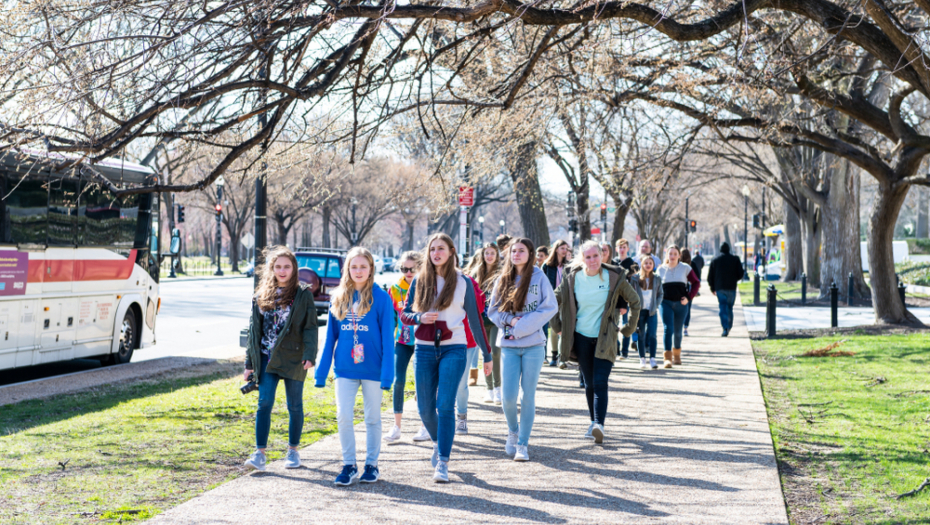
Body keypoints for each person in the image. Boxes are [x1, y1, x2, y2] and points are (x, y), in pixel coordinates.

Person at [401, 233, 492, 483]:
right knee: (424, 408)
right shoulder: (419, 280)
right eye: (432, 249)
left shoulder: (464, 282)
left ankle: (443, 460)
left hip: (454, 347)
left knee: (445, 405)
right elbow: (405, 314)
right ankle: (438, 440)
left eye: (441, 248)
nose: (436, 253)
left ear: (451, 251)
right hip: (424, 348)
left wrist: (487, 353)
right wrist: (419, 317)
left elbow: (475, 320)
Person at [314, 247, 395, 486]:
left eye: (363, 266)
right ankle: (349, 465)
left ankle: (372, 464)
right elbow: (330, 338)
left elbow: (388, 340)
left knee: (372, 418)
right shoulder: (338, 297)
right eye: (354, 266)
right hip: (345, 369)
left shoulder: (381, 298)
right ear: (347, 269)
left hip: (373, 369)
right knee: (343, 416)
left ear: (371, 269)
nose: (358, 271)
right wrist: (321, 372)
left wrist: (387, 375)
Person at [551, 240, 641, 444]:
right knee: (589, 383)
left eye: (595, 256)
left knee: (600, 381)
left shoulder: (614, 276)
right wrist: (557, 326)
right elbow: (553, 300)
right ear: (582, 258)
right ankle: (593, 422)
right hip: (581, 337)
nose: (592, 260)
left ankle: (599, 424)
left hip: (606, 337)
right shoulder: (573, 277)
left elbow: (635, 301)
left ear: (602, 255)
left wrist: (629, 328)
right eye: (588, 257)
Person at [243, 246, 319, 472]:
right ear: (272, 268)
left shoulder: (302, 294)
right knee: (264, 402)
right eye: (278, 267)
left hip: (295, 358)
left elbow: (310, 327)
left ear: (294, 268)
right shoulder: (261, 294)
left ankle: (293, 451)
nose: (282, 271)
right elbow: (253, 332)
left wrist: (309, 355)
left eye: (287, 266)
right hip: (267, 358)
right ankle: (259, 454)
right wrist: (249, 364)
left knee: (294, 405)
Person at [489, 238, 557, 461]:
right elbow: (493, 311)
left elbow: (550, 307)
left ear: (530, 254)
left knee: (527, 395)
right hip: (509, 346)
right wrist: (511, 321)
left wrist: (523, 326)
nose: (516, 254)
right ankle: (513, 430)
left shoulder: (539, 276)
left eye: (521, 251)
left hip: (534, 346)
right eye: (513, 251)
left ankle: (523, 443)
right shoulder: (503, 279)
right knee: (508, 397)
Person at [384, 251, 431, 444]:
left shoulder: (428, 286)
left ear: (420, 267)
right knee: (398, 381)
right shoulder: (395, 289)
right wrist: (387, 343)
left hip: (423, 341)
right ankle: (396, 426)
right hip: (402, 341)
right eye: (404, 269)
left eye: (412, 269)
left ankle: (425, 426)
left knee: (423, 384)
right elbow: (391, 319)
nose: (408, 272)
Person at [468, 242, 502, 402]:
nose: (489, 256)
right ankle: (489, 389)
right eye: (486, 253)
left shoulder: (502, 273)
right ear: (482, 255)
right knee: (485, 353)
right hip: (480, 319)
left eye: (492, 253)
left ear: (497, 255)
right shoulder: (476, 272)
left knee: (495, 352)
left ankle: (498, 388)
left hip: (496, 319)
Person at [657, 245, 700, 368]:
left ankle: (677, 356)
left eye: (675, 254)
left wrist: (689, 297)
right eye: (670, 254)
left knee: (677, 331)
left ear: (679, 256)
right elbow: (655, 287)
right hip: (665, 303)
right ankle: (667, 358)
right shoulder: (660, 270)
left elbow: (696, 282)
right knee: (668, 329)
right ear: (667, 255)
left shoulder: (685, 268)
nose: (672, 256)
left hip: (681, 304)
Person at [630, 256, 662, 369]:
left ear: (653, 265)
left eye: (650, 263)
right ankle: (642, 359)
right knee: (641, 335)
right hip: (640, 311)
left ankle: (652, 358)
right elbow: (630, 294)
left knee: (652, 335)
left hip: (651, 311)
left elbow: (660, 294)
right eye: (646, 263)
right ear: (642, 265)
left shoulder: (657, 278)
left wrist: (656, 305)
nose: (648, 265)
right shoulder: (635, 278)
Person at [541, 240, 569, 367]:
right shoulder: (547, 266)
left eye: (566, 248)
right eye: (562, 248)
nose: (564, 251)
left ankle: (562, 357)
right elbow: (541, 283)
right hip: (551, 300)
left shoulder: (568, 266)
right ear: (556, 249)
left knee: (565, 329)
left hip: (566, 300)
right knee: (554, 328)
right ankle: (553, 355)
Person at [707, 242, 744, 337]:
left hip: (720, 288)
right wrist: (735, 279)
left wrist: (712, 288)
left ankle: (725, 327)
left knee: (723, 307)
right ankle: (728, 326)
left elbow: (710, 276)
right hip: (731, 287)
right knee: (729, 307)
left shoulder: (715, 260)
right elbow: (741, 273)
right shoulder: (735, 259)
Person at [612, 239, 637, 359]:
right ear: (616, 249)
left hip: (627, 299)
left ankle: (625, 351)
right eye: (620, 247)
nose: (622, 250)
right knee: (613, 325)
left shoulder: (632, 264)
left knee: (626, 325)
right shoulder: (613, 263)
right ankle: (616, 349)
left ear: (628, 249)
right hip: (615, 299)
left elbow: (634, 282)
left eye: (624, 247)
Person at [680, 248, 695, 337]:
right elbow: (697, 277)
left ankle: (679, 326)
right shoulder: (692, 264)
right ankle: (685, 327)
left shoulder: (678, 264)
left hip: (680, 288)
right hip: (689, 289)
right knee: (687, 309)